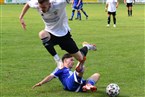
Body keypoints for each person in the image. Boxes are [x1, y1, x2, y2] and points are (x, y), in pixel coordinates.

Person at [19, 0, 94, 69]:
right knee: (42, 34)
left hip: (64, 35)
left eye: (44, 7)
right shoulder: (36, 4)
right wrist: (21, 17)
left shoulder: (59, 3)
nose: (42, 9)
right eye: (40, 7)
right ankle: (58, 60)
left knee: (80, 58)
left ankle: (87, 47)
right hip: (50, 33)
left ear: (49, 4)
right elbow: (28, 4)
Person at [32, 45, 100, 92]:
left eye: (73, 60)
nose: (73, 62)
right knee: (80, 69)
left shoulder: (68, 71)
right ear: (64, 60)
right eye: (71, 60)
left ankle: (87, 85)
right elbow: (51, 76)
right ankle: (81, 64)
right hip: (70, 83)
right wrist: (41, 83)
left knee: (97, 75)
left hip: (78, 87)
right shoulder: (61, 69)